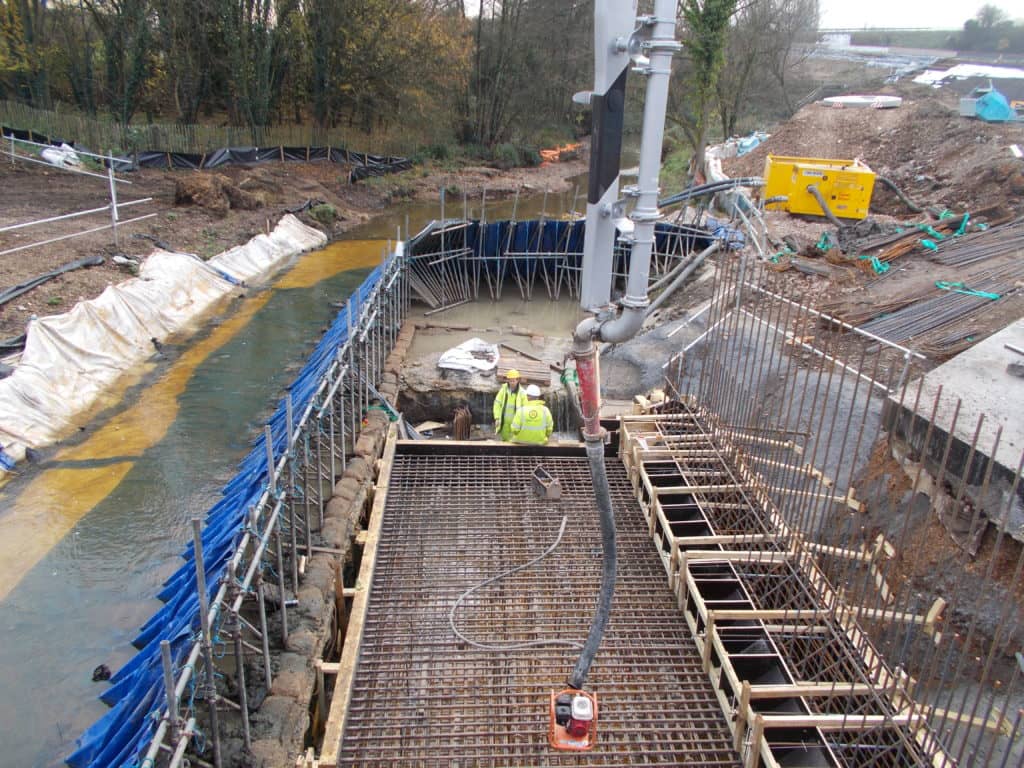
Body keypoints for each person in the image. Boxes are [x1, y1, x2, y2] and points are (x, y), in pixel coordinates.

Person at [493, 369, 528, 441]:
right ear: (508, 380)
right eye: (510, 380)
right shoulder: (503, 390)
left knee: (514, 442)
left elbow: (525, 409)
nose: (512, 383)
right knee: (504, 440)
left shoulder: (522, 393)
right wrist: (497, 418)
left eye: (513, 381)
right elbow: (497, 404)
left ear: (517, 380)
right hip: (504, 423)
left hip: (515, 423)